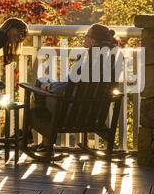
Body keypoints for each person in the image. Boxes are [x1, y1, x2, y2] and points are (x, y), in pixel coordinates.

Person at [31, 23, 119, 151]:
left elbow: (67, 87)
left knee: (38, 90)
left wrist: (49, 87)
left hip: (72, 112)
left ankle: (39, 139)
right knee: (44, 83)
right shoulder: (111, 62)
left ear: (93, 41)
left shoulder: (87, 62)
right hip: (93, 114)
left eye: (86, 35)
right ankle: (43, 142)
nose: (84, 38)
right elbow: (72, 86)